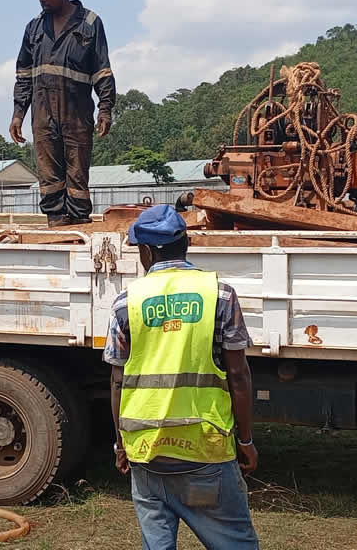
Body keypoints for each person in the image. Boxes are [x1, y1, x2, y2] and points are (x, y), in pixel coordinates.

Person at [105, 205, 260, 549]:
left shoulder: (125, 303)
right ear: (187, 242)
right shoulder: (220, 295)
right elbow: (238, 375)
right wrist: (245, 441)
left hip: (146, 453)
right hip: (206, 452)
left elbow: (118, 381)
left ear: (145, 251)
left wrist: (120, 444)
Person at [10, 0, 115, 227]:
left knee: (77, 174)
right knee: (48, 175)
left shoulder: (90, 23)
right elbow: (23, 75)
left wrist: (105, 108)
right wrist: (18, 113)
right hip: (43, 115)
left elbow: (102, 70)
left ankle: (79, 225)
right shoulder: (33, 29)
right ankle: (56, 225)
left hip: (77, 115)